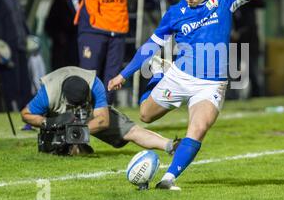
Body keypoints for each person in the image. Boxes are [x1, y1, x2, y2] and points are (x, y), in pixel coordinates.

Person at [108, 0, 284, 190]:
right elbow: (150, 46)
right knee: (146, 115)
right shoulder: (175, 13)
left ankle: (168, 180)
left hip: (211, 84)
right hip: (179, 76)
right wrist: (124, 75)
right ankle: (159, 72)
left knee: (198, 128)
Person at [20, 66, 180, 156]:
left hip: (89, 115)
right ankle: (73, 147)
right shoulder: (48, 93)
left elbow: (103, 120)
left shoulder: (95, 85)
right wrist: (48, 122)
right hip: (58, 117)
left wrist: (73, 133)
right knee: (57, 151)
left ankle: (171, 146)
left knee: (129, 129)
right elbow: (25, 114)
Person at [225, 0, 265, 98]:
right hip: (232, 35)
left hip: (249, 34)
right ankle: (233, 96)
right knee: (233, 68)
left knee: (252, 68)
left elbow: (261, 3)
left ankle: (257, 95)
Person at [45, 0, 78, 70]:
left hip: (67, 45)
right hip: (64, 46)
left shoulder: (76, 1)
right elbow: (50, 24)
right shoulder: (61, 0)